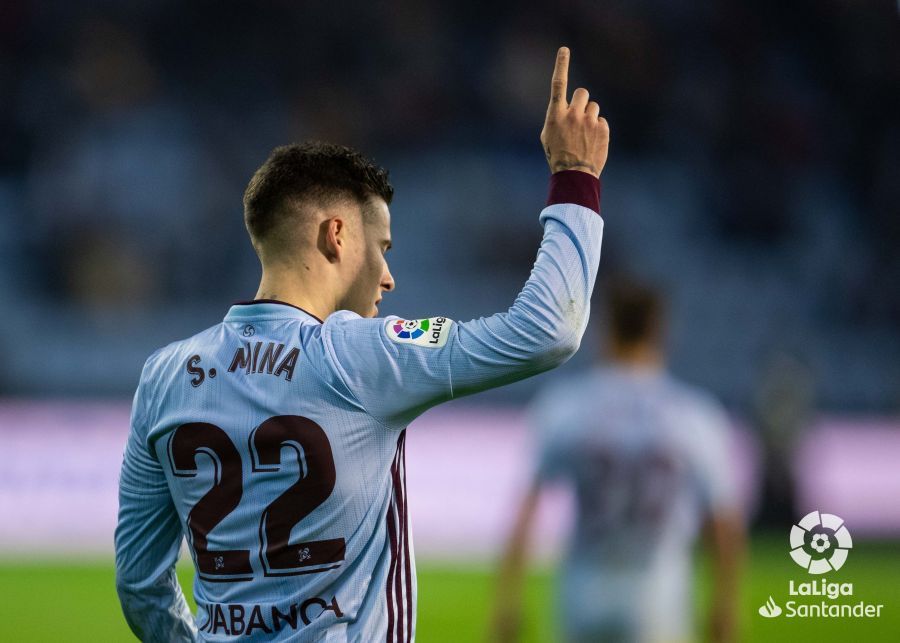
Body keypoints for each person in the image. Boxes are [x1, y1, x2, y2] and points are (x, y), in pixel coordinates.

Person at [114, 47, 610, 642]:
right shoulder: (360, 356)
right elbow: (547, 330)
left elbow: (139, 583)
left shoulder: (166, 374)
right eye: (384, 248)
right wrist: (575, 181)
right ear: (337, 235)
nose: (388, 276)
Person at [493, 280, 745, 643]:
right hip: (657, 594)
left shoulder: (568, 406)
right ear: (660, 329)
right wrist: (725, 606)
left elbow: (527, 509)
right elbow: (723, 522)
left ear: (604, 327)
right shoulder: (694, 416)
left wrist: (508, 601)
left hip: (584, 592)